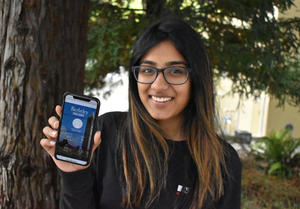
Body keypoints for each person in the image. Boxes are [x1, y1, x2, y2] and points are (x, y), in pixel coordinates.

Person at [40, 17, 242, 209]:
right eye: (147, 70)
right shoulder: (105, 133)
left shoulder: (223, 161)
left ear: (196, 78)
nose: (158, 85)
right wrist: (73, 173)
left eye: (176, 71)